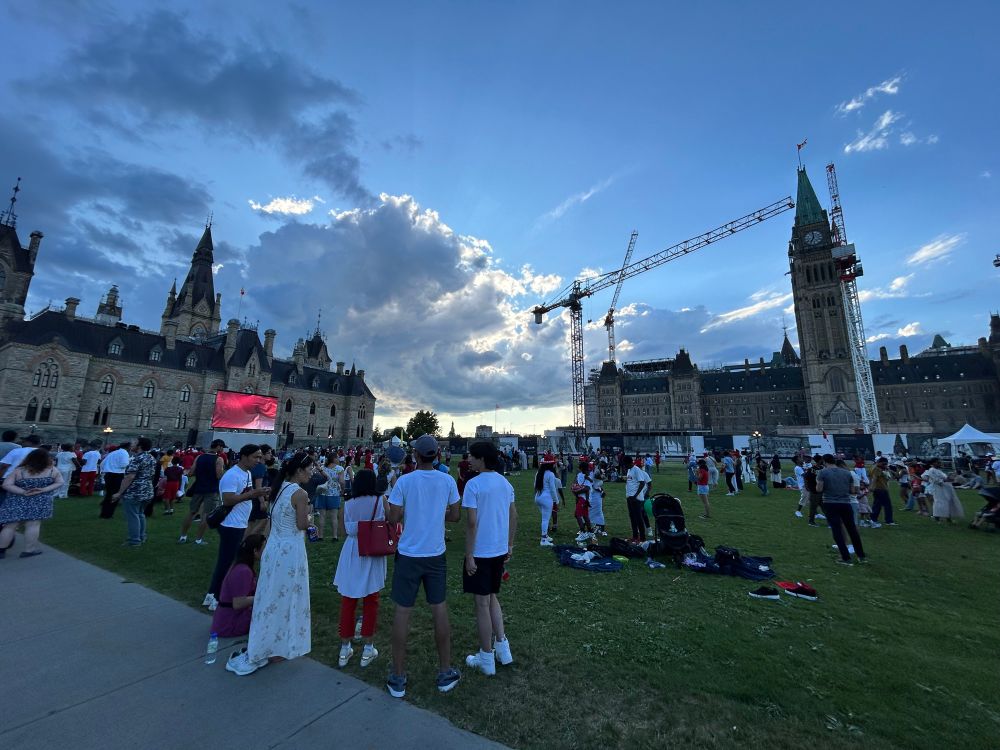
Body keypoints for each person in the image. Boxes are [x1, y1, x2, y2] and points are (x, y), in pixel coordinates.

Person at [385, 434, 462, 699]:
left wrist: (401, 506)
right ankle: (444, 672)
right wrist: (435, 512)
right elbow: (455, 515)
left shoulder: (405, 481)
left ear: (415, 455)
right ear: (437, 455)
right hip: (435, 554)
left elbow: (393, 517)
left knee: (403, 612)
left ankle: (397, 676)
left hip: (408, 554)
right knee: (438, 608)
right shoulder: (447, 480)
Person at [226, 452, 314, 676]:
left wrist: (263, 550)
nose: (312, 472)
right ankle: (271, 646)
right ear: (299, 471)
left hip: (274, 547)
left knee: (271, 597)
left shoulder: (280, 488)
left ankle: (272, 644)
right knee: (285, 597)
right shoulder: (300, 493)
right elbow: (302, 523)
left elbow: (272, 521)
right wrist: (312, 519)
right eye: (309, 469)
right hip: (289, 551)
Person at [462, 441, 517, 676]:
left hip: (482, 552)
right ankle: (503, 649)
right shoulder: (505, 483)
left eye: (472, 457)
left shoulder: (473, 485)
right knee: (492, 599)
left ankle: (486, 658)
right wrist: (509, 544)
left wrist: (469, 555)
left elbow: (472, 523)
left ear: (482, 459)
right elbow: (514, 515)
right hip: (498, 550)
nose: (469, 460)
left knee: (482, 604)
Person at [204, 445, 269, 611]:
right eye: (256, 457)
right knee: (226, 562)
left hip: (240, 523)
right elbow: (228, 500)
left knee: (232, 560)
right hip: (230, 524)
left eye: (260, 457)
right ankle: (214, 596)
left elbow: (245, 492)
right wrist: (252, 494)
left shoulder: (246, 473)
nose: (258, 461)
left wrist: (259, 492)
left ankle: (216, 593)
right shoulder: (231, 475)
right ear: (245, 456)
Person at [333, 469, 386, 668]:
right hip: (372, 549)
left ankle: (344, 648)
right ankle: (367, 648)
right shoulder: (380, 501)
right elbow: (389, 521)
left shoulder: (348, 504)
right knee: (371, 600)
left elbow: (343, 528)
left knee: (348, 600)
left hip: (353, 549)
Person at [0, 447, 63, 558]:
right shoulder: (52, 470)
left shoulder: (20, 470)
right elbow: (59, 482)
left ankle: (1, 551)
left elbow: (6, 484)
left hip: (17, 500)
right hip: (40, 500)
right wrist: (44, 489)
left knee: (10, 526)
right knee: (33, 525)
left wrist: (23, 492)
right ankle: (29, 550)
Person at [210, 533, 265, 638]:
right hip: (229, 624)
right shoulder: (243, 571)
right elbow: (238, 603)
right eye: (264, 548)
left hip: (226, 620)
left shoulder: (241, 566)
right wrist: (261, 597)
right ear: (255, 551)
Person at [816, 454, 866, 565]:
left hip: (830, 503)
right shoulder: (847, 473)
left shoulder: (823, 472)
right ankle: (861, 555)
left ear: (824, 461)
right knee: (852, 529)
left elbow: (819, 489)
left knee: (837, 530)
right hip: (846, 503)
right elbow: (852, 490)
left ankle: (845, 557)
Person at [179, 439, 226, 545]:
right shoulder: (218, 459)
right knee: (206, 514)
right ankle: (198, 539)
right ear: (218, 447)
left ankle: (183, 536)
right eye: (222, 447)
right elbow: (219, 476)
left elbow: (191, 473)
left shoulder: (200, 457)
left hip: (198, 488)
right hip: (211, 489)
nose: (222, 449)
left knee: (191, 512)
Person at [111, 438, 157, 547]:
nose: (132, 445)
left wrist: (119, 492)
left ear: (140, 446)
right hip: (147, 490)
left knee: (133, 516)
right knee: (140, 514)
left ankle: (134, 540)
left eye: (134, 443)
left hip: (135, 491)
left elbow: (129, 476)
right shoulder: (151, 457)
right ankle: (141, 536)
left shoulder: (137, 459)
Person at [923, 458, 965, 522]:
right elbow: (936, 480)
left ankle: (948, 518)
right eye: (937, 462)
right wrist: (946, 479)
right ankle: (937, 518)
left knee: (948, 502)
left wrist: (952, 478)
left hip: (947, 488)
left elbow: (946, 479)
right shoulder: (931, 470)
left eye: (939, 462)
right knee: (939, 502)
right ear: (933, 463)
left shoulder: (939, 470)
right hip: (939, 489)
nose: (939, 464)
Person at [315, 454, 345, 542]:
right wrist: (342, 490)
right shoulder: (339, 469)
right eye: (338, 457)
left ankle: (320, 536)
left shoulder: (323, 468)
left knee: (322, 516)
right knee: (334, 516)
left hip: (322, 493)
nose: (339, 459)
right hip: (334, 494)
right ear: (334, 458)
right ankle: (334, 536)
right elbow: (342, 481)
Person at [533, 456, 562, 546]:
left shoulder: (539, 473)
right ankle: (543, 539)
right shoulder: (550, 474)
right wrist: (556, 501)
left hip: (538, 497)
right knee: (545, 519)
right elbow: (553, 490)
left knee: (545, 518)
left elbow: (535, 486)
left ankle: (545, 535)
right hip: (546, 498)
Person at [99, 441, 131, 519]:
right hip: (117, 475)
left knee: (108, 494)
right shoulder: (124, 453)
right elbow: (124, 464)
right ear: (128, 447)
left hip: (108, 474)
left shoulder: (113, 453)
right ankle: (109, 514)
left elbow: (102, 463)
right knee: (115, 495)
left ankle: (104, 513)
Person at [625, 458, 648, 543]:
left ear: (630, 463)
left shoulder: (636, 470)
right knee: (632, 518)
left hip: (636, 499)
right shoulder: (629, 470)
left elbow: (642, 483)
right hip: (630, 498)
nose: (625, 466)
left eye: (626, 464)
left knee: (638, 518)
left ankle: (642, 538)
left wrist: (635, 496)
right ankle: (635, 536)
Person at [572, 457, 594, 542]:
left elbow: (587, 488)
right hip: (580, 497)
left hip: (584, 498)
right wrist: (575, 491)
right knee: (585, 515)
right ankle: (590, 532)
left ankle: (583, 532)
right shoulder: (579, 475)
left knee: (577, 515)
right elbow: (576, 484)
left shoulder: (587, 476)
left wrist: (577, 492)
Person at [869, 457, 896, 526]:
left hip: (879, 489)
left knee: (877, 505)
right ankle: (889, 521)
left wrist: (887, 470)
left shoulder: (877, 468)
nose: (885, 465)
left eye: (886, 464)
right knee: (887, 505)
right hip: (881, 489)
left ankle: (873, 518)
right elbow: (875, 478)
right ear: (880, 462)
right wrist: (871, 486)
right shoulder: (877, 469)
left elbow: (890, 477)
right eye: (884, 464)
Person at [590, 466, 607, 536]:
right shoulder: (592, 475)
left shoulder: (595, 473)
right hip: (594, 496)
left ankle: (601, 528)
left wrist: (602, 490)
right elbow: (594, 487)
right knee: (592, 511)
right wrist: (601, 491)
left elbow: (598, 486)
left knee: (599, 512)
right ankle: (595, 527)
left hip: (598, 496)